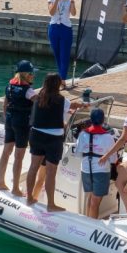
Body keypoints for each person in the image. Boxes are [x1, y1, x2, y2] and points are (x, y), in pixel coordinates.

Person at [26, 73, 80, 212]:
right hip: (53, 140)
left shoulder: (38, 98)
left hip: (36, 135)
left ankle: (29, 198)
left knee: (33, 167)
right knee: (51, 173)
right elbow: (70, 108)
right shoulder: (62, 100)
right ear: (57, 85)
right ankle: (51, 204)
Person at [0, 60, 38, 196]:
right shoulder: (29, 91)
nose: (33, 76)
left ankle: (1, 182)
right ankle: (15, 188)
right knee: (18, 156)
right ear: (25, 74)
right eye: (31, 74)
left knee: (6, 151)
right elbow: (40, 103)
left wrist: (8, 118)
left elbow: (5, 105)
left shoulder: (9, 85)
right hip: (21, 124)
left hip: (9, 120)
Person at [75, 108, 117, 219]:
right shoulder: (108, 137)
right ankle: (91, 226)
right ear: (103, 120)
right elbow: (114, 160)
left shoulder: (82, 134)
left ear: (91, 120)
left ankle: (87, 221)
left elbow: (78, 155)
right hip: (101, 172)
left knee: (90, 198)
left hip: (85, 170)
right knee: (95, 202)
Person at [48, 0, 77, 79]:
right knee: (57, 55)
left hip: (66, 28)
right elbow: (51, 12)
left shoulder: (69, 0)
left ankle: (63, 79)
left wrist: (72, 0)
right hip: (54, 28)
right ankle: (61, 78)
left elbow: (73, 13)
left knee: (65, 55)